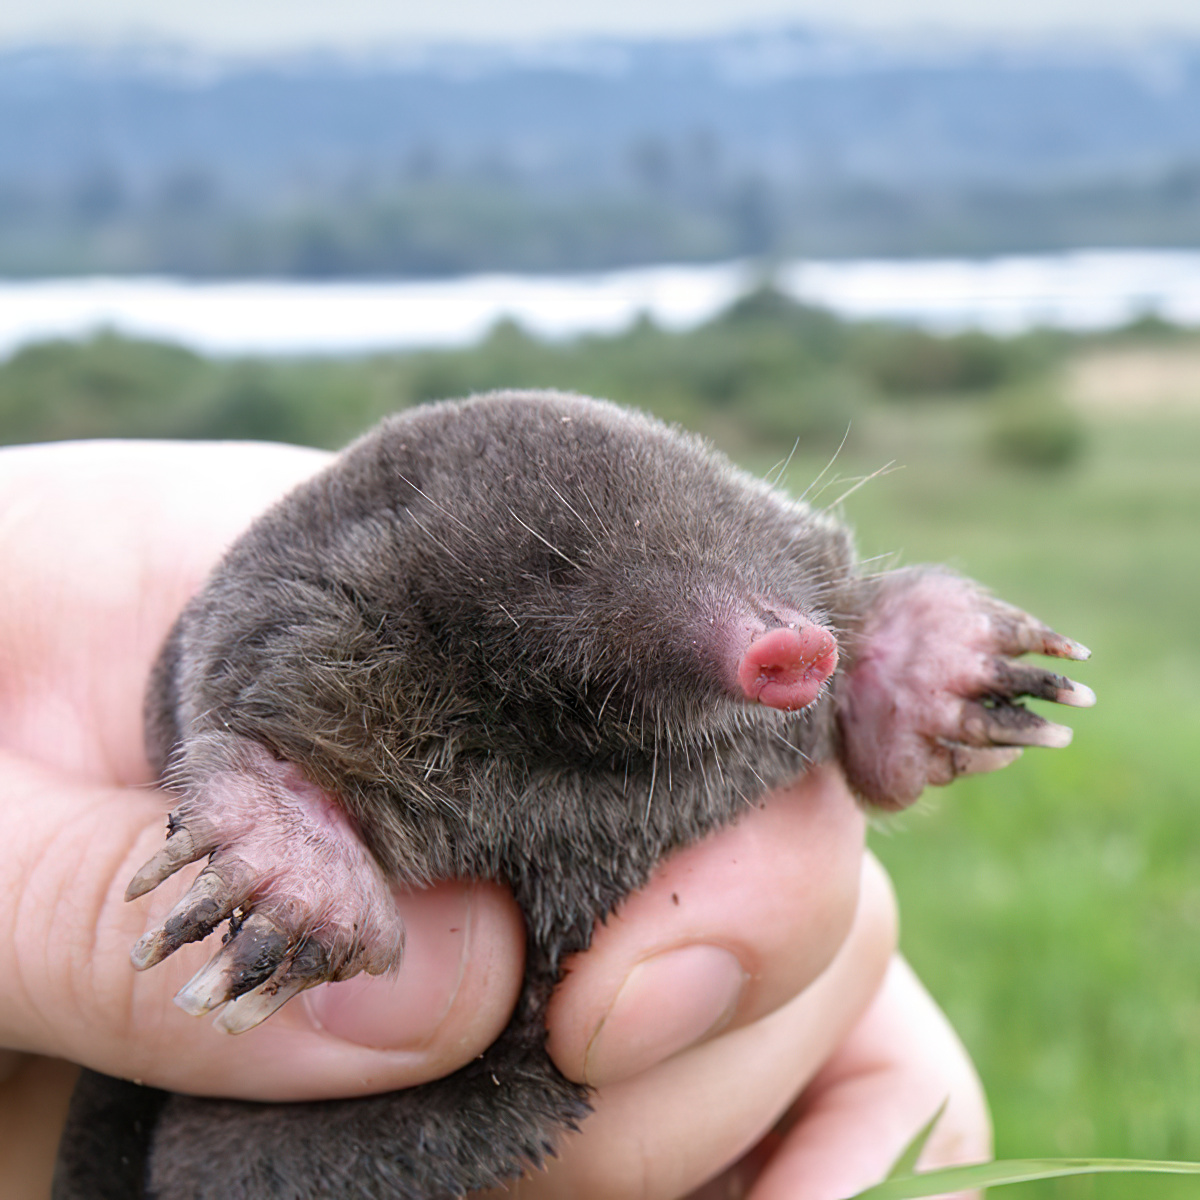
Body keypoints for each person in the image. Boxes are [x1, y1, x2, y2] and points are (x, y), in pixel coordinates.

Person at [0, 438, 990, 1199]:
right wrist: (284, 840)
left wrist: (905, 660)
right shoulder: (319, 666)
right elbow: (245, 700)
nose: (766, 641)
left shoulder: (788, 653)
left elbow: (850, 621)